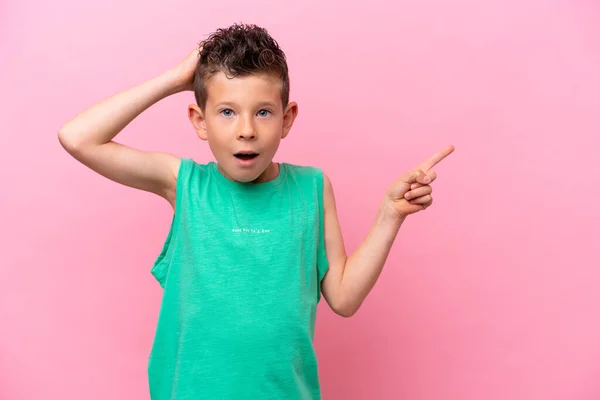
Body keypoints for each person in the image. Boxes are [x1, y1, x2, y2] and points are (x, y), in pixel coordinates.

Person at [58, 23, 454, 400]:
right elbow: (78, 138)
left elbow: (344, 299)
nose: (246, 129)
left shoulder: (312, 188)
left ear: (287, 119)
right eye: (227, 112)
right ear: (200, 121)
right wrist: (177, 80)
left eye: (263, 112)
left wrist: (390, 215)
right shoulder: (185, 184)